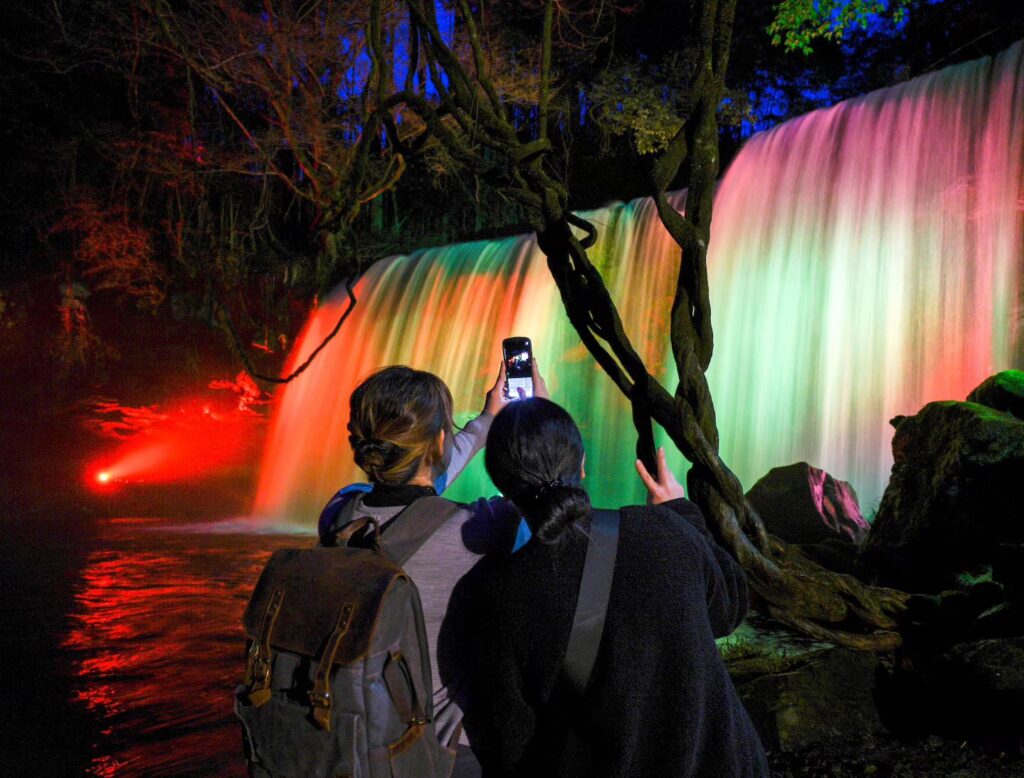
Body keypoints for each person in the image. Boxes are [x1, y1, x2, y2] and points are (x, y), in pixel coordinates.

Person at [443, 398, 769, 777]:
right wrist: (680, 511)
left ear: (501, 484)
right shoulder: (665, 533)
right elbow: (730, 607)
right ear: (582, 466)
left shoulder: (499, 593)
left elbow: (509, 744)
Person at [317, 361, 547, 776]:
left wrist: (484, 423)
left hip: (358, 743)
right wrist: (535, 422)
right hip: (446, 755)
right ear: (440, 442)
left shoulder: (340, 514)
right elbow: (550, 505)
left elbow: (414, 492)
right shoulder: (478, 530)